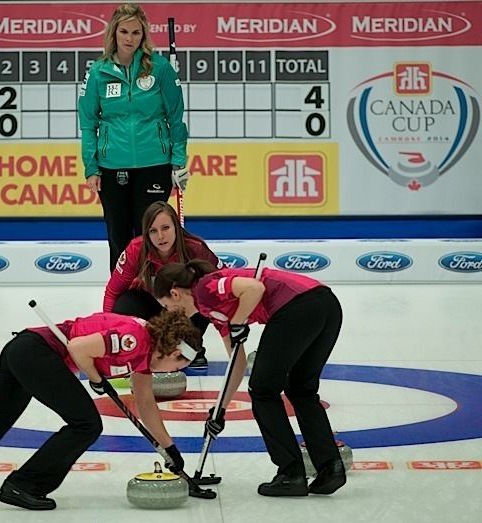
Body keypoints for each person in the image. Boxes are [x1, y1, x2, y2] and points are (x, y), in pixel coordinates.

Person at [0, 310, 200, 510]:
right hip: (36, 353)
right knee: (86, 424)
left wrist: (169, 448)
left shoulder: (145, 358)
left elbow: (145, 405)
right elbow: (77, 347)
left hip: (23, 352)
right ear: (170, 347)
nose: (173, 370)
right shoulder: (134, 338)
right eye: (178, 362)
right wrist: (97, 379)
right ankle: (25, 484)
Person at [153, 260, 346, 497]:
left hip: (298, 306)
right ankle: (330, 467)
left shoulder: (205, 288)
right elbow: (237, 362)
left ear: (175, 294)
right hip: (326, 305)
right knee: (301, 389)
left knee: (263, 390)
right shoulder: (212, 312)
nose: (170, 313)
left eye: (166, 306)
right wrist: (220, 410)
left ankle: (291, 472)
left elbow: (254, 289)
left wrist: (238, 321)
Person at [78, 3, 189, 271]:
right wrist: (91, 167)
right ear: (114, 34)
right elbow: (88, 122)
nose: (130, 39)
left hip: (154, 164)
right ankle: (121, 299)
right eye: (124, 32)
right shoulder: (97, 72)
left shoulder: (160, 68)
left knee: (152, 235)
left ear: (144, 35)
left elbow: (176, 118)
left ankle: (155, 294)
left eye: (136, 33)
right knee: (118, 237)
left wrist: (179, 162)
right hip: (111, 166)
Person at [104, 201, 222, 368]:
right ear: (146, 233)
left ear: (176, 227)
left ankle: (191, 345)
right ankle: (138, 348)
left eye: (165, 228)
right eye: (153, 231)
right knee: (123, 304)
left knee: (203, 295)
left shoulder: (196, 249)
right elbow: (112, 292)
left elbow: (219, 289)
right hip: (151, 305)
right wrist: (108, 335)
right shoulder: (135, 250)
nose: (160, 236)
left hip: (184, 310)